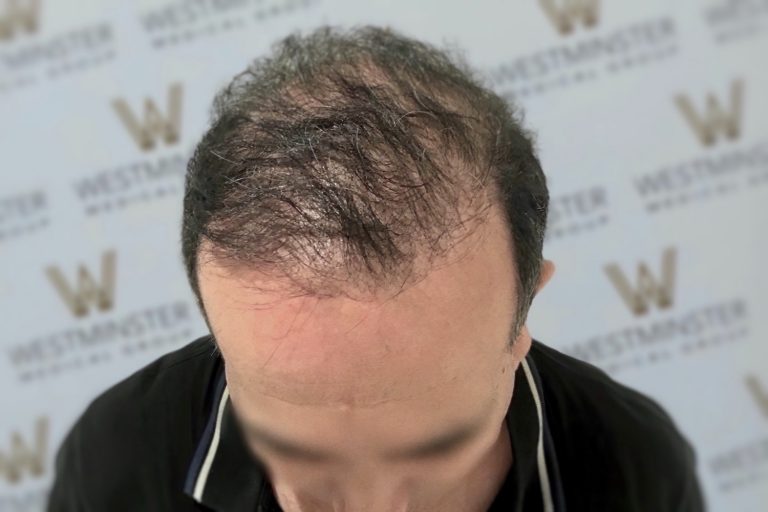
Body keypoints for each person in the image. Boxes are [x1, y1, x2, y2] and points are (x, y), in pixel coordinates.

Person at [46, 25, 705, 512]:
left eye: (438, 452)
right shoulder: (119, 465)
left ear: (522, 314)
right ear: (218, 333)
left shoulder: (633, 466)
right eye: (305, 461)